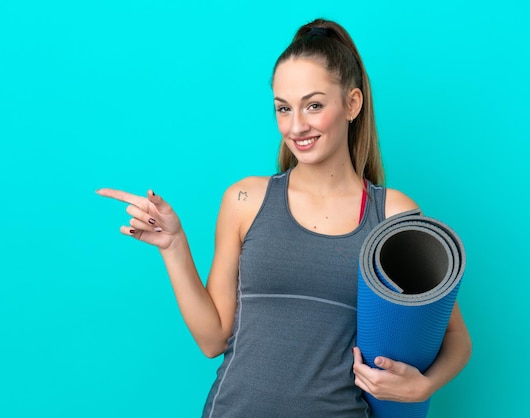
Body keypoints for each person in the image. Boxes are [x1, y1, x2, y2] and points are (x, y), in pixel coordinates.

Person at [97, 18, 472, 417]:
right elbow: (212, 340)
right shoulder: (245, 199)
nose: (296, 126)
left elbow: (456, 337)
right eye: (283, 108)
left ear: (352, 103)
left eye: (313, 105)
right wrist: (173, 246)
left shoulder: (392, 213)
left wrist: (423, 387)